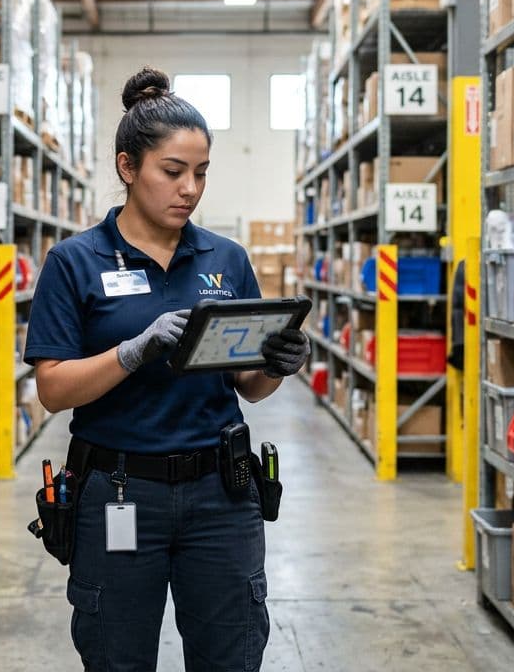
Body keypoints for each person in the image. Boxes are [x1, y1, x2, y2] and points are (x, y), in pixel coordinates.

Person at [23, 66, 311, 672]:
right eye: (172, 172)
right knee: (117, 656)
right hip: (120, 494)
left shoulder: (225, 259)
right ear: (129, 168)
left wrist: (279, 363)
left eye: (201, 173)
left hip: (221, 493)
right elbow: (52, 390)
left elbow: (250, 387)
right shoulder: (74, 262)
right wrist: (133, 351)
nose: (189, 189)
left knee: (231, 655)